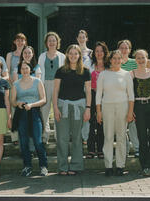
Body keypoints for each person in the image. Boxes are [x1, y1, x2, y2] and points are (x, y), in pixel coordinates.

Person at [53, 44, 91, 175]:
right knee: (62, 138)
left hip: (79, 107)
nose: (73, 56)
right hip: (62, 106)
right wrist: (55, 109)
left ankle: (75, 165)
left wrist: (88, 109)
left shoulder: (85, 71)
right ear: (67, 55)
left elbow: (88, 92)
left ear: (80, 55)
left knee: (76, 137)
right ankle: (63, 167)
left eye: (76, 53)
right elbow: (55, 91)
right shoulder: (61, 71)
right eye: (71, 53)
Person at [96, 50, 134, 176]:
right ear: (110, 60)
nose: (117, 61)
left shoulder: (126, 74)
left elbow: (131, 96)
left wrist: (130, 112)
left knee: (121, 137)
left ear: (122, 60)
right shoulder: (103, 74)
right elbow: (98, 95)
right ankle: (108, 165)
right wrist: (98, 111)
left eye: (119, 58)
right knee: (108, 136)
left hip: (122, 106)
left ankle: (120, 165)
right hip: (107, 106)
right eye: (114, 58)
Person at [11, 62, 48, 177]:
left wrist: (32, 105)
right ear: (19, 71)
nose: (25, 70)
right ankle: (27, 166)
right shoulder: (16, 84)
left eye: (27, 68)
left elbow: (44, 100)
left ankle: (43, 166)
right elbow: (12, 101)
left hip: (34, 112)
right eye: (22, 69)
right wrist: (18, 103)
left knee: (38, 140)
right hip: (21, 113)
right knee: (24, 141)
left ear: (30, 69)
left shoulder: (37, 81)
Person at [130, 49, 150, 177]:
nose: (141, 60)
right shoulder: (131, 74)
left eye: (143, 57)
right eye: (138, 58)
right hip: (139, 106)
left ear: (147, 58)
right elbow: (130, 94)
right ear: (135, 60)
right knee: (142, 137)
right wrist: (131, 110)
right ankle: (145, 167)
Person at [38, 32, 66, 144]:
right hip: (45, 84)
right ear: (46, 43)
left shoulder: (62, 56)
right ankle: (44, 137)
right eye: (49, 40)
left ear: (57, 42)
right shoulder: (42, 56)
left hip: (58, 85)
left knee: (57, 111)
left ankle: (58, 137)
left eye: (54, 40)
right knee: (44, 111)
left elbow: (64, 72)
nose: (52, 42)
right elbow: (39, 72)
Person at [14, 46, 42, 156]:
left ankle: (32, 149)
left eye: (29, 53)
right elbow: (16, 83)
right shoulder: (18, 67)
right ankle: (23, 150)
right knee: (22, 128)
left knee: (32, 128)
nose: (27, 55)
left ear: (33, 54)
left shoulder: (37, 67)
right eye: (25, 53)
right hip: (21, 101)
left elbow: (38, 81)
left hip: (33, 102)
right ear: (22, 54)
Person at [86, 41, 109, 159]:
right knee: (91, 122)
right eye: (97, 51)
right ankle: (90, 149)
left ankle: (100, 149)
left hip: (105, 96)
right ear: (94, 53)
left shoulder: (109, 66)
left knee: (101, 122)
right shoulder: (89, 65)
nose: (99, 53)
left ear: (105, 52)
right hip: (92, 94)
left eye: (101, 51)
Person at [117, 39, 139, 158]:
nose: (124, 50)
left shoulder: (135, 62)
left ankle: (137, 148)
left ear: (130, 50)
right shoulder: (115, 62)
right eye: (122, 48)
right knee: (121, 126)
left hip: (131, 96)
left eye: (126, 48)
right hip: (119, 97)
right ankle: (124, 150)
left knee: (133, 124)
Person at [6, 33, 27, 146]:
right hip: (13, 86)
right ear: (14, 42)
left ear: (25, 42)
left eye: (22, 40)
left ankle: (25, 135)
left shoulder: (28, 54)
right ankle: (15, 137)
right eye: (18, 40)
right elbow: (7, 71)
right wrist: (14, 86)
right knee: (14, 112)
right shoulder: (10, 55)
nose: (20, 42)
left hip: (26, 87)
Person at [76, 30, 93, 145]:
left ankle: (85, 136)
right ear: (77, 39)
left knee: (87, 109)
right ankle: (77, 136)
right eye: (80, 37)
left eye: (84, 37)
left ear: (86, 39)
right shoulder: (73, 51)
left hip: (88, 84)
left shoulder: (91, 53)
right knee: (77, 110)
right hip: (75, 84)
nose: (82, 39)